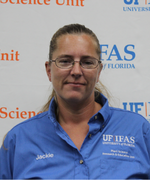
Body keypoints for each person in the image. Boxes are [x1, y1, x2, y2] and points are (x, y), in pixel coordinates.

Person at [0, 24, 150, 179]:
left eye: (87, 62)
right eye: (65, 61)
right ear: (49, 70)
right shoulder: (19, 141)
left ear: (98, 71)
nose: (77, 71)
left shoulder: (139, 131)